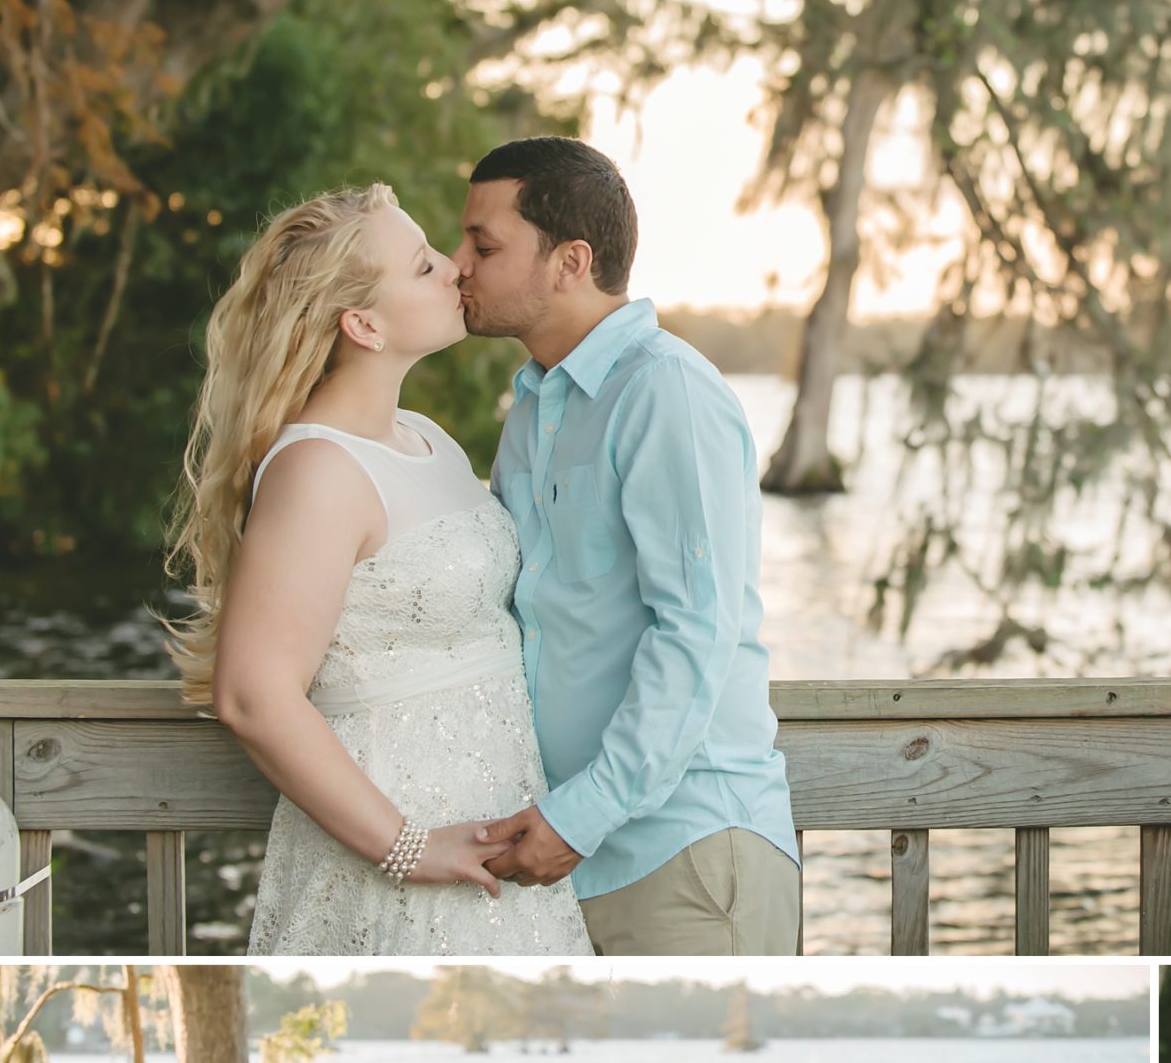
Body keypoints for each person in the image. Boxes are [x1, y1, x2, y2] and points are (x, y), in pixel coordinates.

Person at [165, 182, 592, 956]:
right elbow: (253, 693)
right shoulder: (318, 470)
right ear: (362, 323)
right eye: (424, 266)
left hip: (498, 826)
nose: (455, 269)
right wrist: (407, 846)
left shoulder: (429, 439)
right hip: (397, 840)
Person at [452, 137, 801, 955]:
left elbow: (696, 631)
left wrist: (581, 814)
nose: (458, 263)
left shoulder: (663, 392)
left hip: (683, 851)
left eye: (485, 245)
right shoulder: (536, 408)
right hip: (566, 858)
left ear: (569, 261)